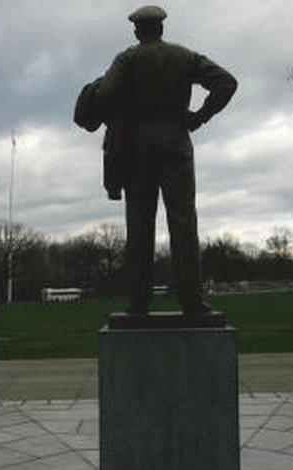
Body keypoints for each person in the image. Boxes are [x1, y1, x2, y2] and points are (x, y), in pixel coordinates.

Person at [91, 5, 237, 316]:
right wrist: (198, 117)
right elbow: (227, 82)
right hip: (176, 143)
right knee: (184, 222)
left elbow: (103, 97)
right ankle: (192, 300)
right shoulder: (184, 57)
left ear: (136, 30)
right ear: (161, 29)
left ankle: (138, 301)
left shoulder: (127, 59)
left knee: (140, 224)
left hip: (137, 148)